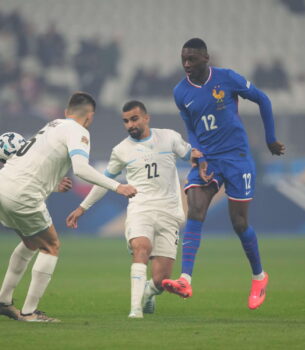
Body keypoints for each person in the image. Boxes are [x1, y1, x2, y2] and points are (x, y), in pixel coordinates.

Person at [162, 38, 285, 310]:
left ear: (206, 58)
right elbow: (191, 126)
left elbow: (263, 100)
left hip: (237, 158)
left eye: (192, 59)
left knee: (239, 224)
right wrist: (200, 154)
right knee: (195, 209)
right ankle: (185, 278)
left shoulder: (227, 78)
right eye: (183, 58)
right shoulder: (181, 92)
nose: (186, 64)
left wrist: (270, 139)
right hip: (208, 160)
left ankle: (259, 277)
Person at [0, 92, 137, 322]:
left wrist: (53, 184)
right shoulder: (79, 131)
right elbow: (82, 169)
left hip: (4, 185)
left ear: (66, 112)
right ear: (90, 117)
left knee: (31, 242)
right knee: (51, 245)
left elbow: (32, 164)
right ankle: (29, 312)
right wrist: (117, 186)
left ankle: (4, 300)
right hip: (23, 195)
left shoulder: (52, 125)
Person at [66, 100, 201, 318]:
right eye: (126, 121)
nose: (130, 125)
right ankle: (135, 308)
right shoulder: (121, 150)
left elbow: (193, 156)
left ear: (146, 118)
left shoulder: (169, 137)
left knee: (161, 280)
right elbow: (103, 181)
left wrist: (205, 163)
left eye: (134, 119)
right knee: (141, 247)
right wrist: (82, 208)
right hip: (141, 207)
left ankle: (149, 292)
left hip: (169, 212)